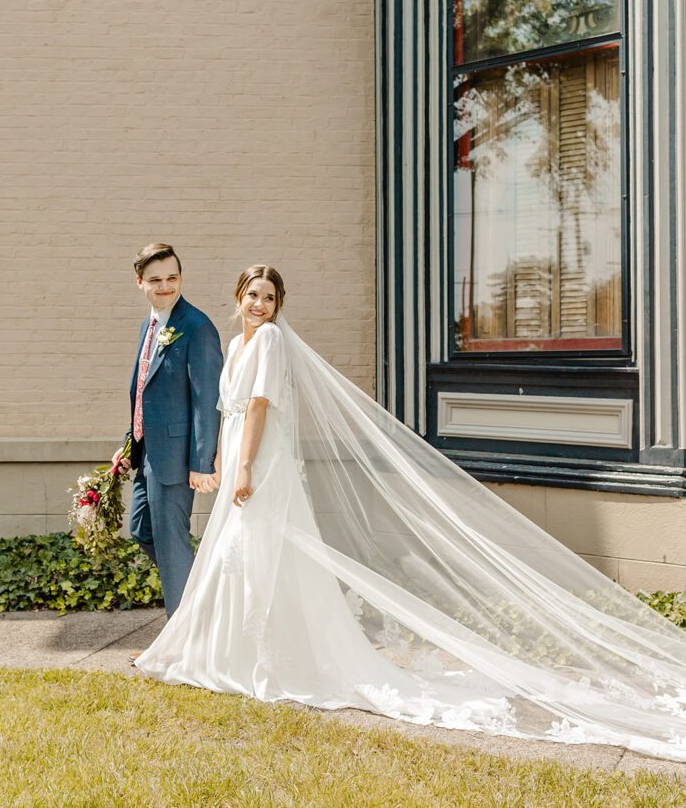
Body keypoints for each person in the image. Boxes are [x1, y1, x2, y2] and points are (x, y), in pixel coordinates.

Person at [136, 265, 686, 762]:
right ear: (238, 296)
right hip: (237, 452)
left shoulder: (273, 341)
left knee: (261, 548)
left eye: (270, 297)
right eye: (253, 295)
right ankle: (232, 651)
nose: (260, 305)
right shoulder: (235, 346)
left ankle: (266, 657)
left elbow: (258, 407)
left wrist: (249, 467)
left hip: (260, 458)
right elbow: (228, 407)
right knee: (239, 551)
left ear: (279, 306)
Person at [118, 242, 222, 618]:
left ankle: (184, 639)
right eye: (156, 280)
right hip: (147, 453)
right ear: (139, 282)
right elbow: (145, 391)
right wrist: (129, 444)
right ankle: (200, 603)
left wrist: (202, 461)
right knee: (143, 531)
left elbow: (207, 400)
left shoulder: (196, 327)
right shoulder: (150, 325)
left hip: (177, 458)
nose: (166, 287)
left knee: (171, 542)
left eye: (172, 278)